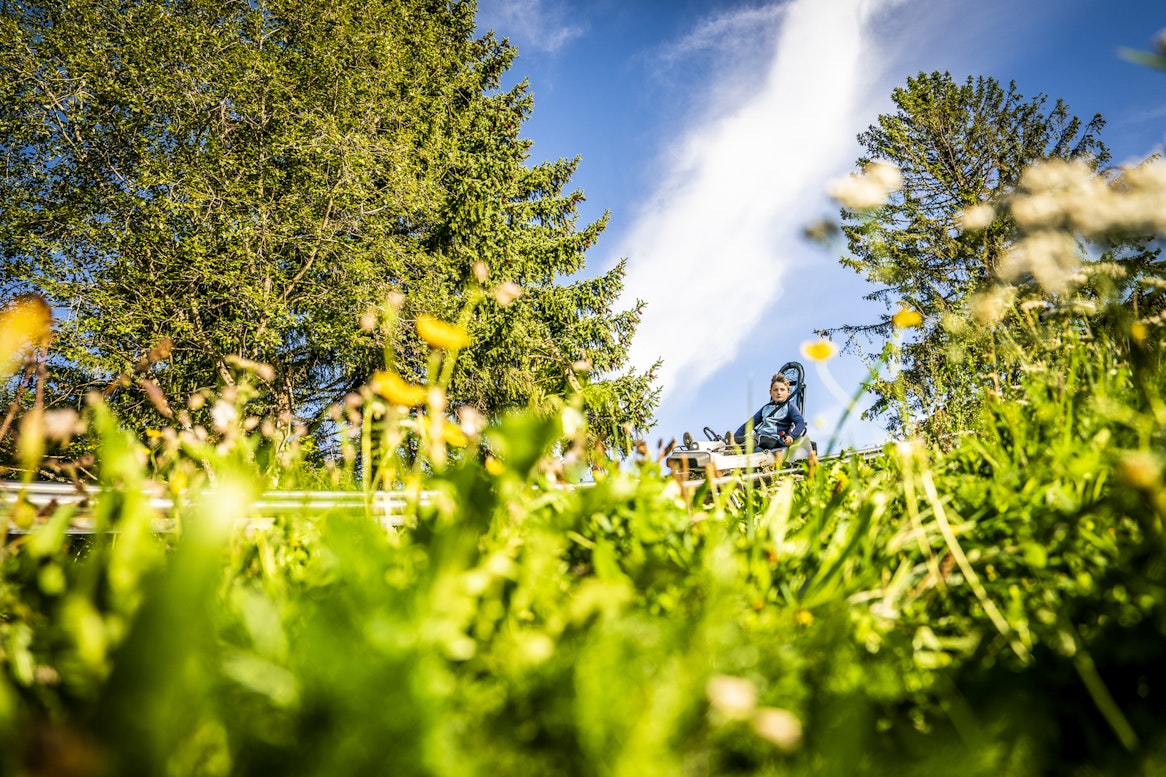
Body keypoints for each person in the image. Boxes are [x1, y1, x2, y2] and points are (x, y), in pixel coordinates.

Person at [727, 373, 808, 459]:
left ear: (788, 392)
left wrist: (791, 436)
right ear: (770, 392)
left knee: (758, 437)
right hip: (760, 441)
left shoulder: (790, 407)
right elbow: (749, 425)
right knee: (755, 446)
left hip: (776, 441)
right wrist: (735, 436)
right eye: (775, 390)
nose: (779, 392)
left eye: (782, 390)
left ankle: (735, 444)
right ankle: (732, 443)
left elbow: (800, 423)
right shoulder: (766, 408)